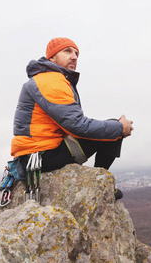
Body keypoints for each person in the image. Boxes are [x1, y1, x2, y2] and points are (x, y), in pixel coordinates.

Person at [11, 37, 133, 199]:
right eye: (67, 51)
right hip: (40, 157)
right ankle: (99, 185)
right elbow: (76, 125)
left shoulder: (53, 79)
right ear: (51, 58)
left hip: (40, 153)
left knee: (111, 127)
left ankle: (99, 181)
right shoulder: (49, 80)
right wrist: (120, 128)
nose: (74, 57)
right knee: (113, 128)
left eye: (76, 53)